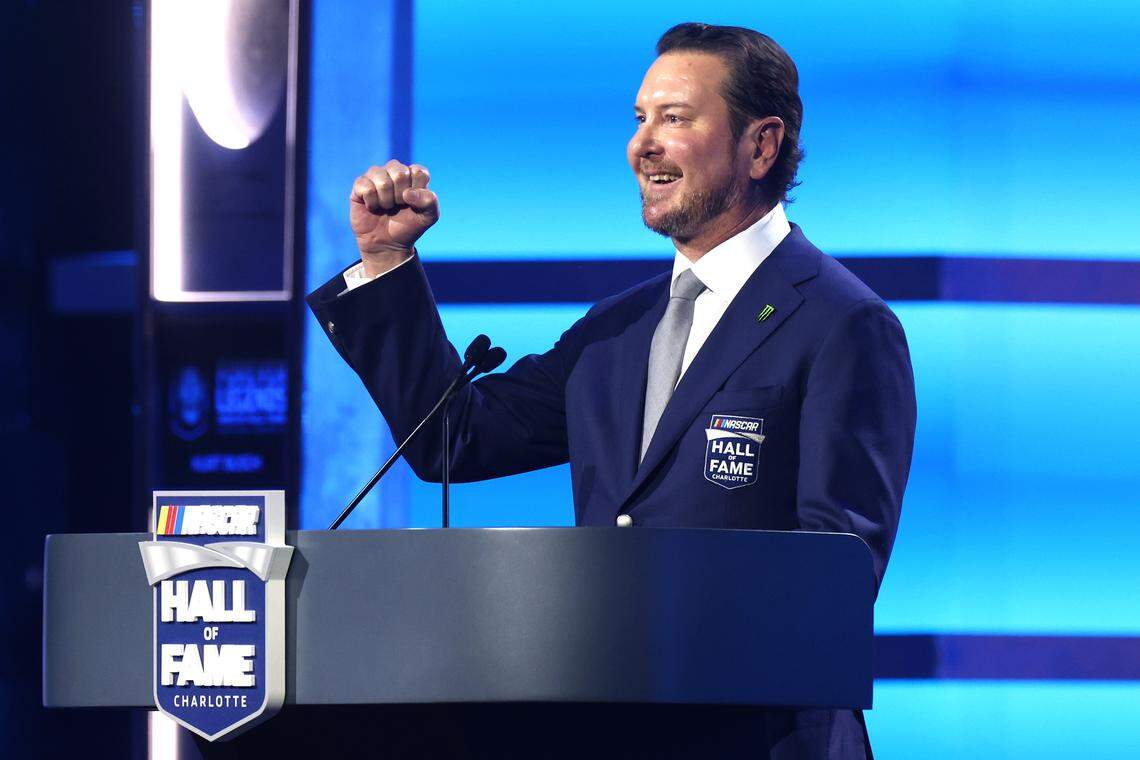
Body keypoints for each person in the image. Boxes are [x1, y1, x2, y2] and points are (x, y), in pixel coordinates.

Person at [309, 22, 916, 759]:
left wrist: (652, 619)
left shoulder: (842, 323)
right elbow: (456, 439)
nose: (643, 143)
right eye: (639, 119)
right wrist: (388, 258)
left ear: (761, 145)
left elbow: (832, 582)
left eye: (676, 118)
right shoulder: (616, 330)